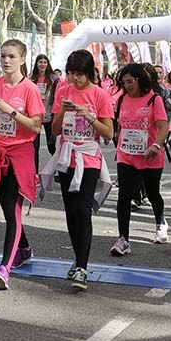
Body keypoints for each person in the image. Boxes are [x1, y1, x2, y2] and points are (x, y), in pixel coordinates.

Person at [40, 50, 114, 290]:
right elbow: (55, 130)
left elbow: (109, 133)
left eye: (79, 74)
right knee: (71, 212)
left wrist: (87, 116)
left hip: (89, 158)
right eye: (71, 74)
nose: (74, 79)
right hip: (66, 157)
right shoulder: (63, 90)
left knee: (83, 211)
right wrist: (64, 110)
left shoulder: (100, 95)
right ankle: (77, 258)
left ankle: (82, 266)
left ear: (90, 72)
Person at [0, 39, 43, 290]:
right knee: (7, 208)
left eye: (12, 57)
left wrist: (11, 111)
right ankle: (24, 248)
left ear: (23, 60)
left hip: (20, 154)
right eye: (3, 56)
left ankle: (4, 268)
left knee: (13, 209)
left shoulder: (30, 89)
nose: (6, 61)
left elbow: (35, 127)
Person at [108, 64, 171, 257]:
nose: (127, 86)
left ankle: (160, 221)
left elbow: (163, 127)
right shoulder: (122, 100)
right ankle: (123, 238)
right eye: (123, 82)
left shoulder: (154, 99)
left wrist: (156, 146)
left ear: (139, 80)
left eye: (130, 81)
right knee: (124, 196)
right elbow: (118, 126)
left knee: (152, 194)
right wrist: (117, 140)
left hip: (150, 156)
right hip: (127, 156)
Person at [30, 54, 59, 170]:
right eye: (40, 62)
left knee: (51, 145)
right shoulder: (31, 79)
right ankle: (34, 173)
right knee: (34, 147)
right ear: (36, 64)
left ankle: (59, 169)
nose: (42, 64)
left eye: (45, 62)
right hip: (35, 115)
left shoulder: (54, 78)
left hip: (49, 115)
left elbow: (58, 95)